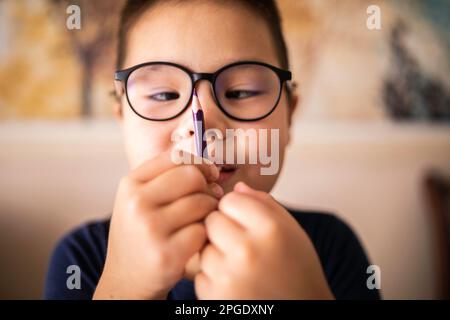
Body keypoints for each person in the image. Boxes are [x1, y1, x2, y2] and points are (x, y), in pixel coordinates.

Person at [44, 0, 380, 300]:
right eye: (163, 95)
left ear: (289, 115)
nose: (201, 124)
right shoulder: (81, 259)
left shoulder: (331, 249)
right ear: (122, 119)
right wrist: (125, 287)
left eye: (240, 92)